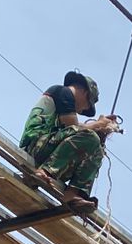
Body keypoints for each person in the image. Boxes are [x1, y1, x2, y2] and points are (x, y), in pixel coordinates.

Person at [19, 71, 119, 205]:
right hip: (36, 145)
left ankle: (74, 194)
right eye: (86, 105)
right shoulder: (62, 92)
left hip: (49, 149)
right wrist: (98, 125)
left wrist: (99, 131)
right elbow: (73, 128)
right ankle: (44, 172)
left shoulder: (64, 102)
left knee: (97, 149)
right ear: (84, 92)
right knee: (89, 137)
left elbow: (73, 134)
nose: (82, 110)